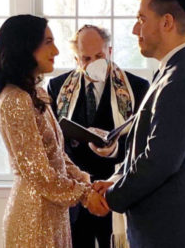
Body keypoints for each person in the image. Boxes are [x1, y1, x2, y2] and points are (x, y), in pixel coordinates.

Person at [93, 0, 185, 247]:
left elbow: (158, 161)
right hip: (160, 229)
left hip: (172, 232)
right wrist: (114, 180)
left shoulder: (182, 79)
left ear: (167, 22)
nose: (135, 29)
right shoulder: (168, 72)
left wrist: (111, 197)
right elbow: (142, 148)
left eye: (141, 19)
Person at [0, 15, 108, 248]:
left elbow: (56, 155)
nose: (56, 50)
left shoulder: (36, 94)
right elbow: (39, 172)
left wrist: (86, 181)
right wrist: (85, 195)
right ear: (25, 46)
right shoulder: (15, 99)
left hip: (53, 212)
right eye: (48, 42)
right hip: (34, 217)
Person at [47, 25, 149, 248]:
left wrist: (113, 149)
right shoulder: (57, 87)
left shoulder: (137, 87)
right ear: (76, 58)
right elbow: (53, 144)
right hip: (75, 195)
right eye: (86, 58)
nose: (93, 63)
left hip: (114, 191)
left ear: (109, 52)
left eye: (99, 56)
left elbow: (142, 146)